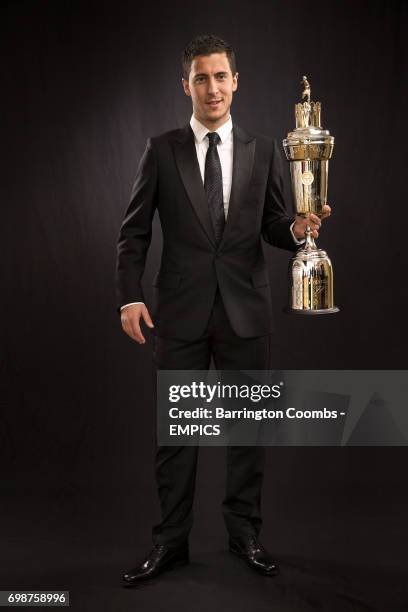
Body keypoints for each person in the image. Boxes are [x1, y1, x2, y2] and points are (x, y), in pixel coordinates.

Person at [116, 34, 331, 584]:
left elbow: (273, 224)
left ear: (235, 82)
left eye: (221, 77)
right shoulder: (161, 150)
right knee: (177, 438)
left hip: (245, 312)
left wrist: (298, 228)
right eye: (201, 78)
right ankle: (170, 543)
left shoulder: (263, 149)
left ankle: (245, 536)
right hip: (180, 315)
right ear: (185, 85)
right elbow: (133, 232)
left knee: (247, 437)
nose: (212, 88)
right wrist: (130, 295)